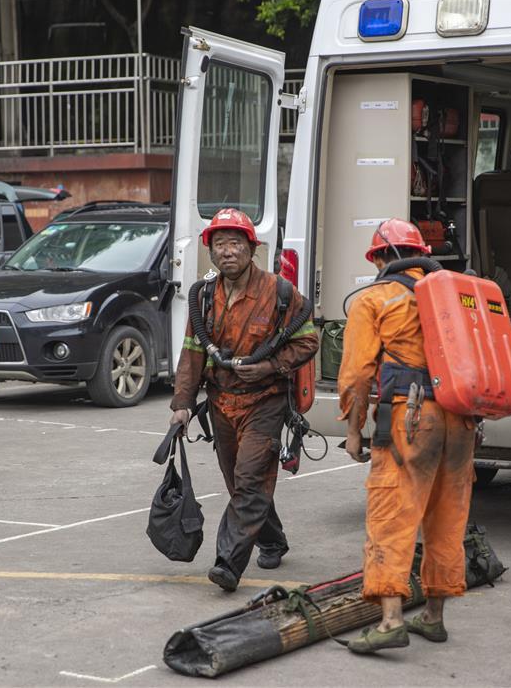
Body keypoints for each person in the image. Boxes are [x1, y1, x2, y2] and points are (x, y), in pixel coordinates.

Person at [338, 219, 476, 654]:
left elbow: (357, 375)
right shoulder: (450, 296)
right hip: (461, 419)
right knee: (447, 517)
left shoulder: (375, 300)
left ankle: (391, 621)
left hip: (410, 419)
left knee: (391, 515)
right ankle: (434, 617)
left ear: (380, 258)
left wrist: (354, 430)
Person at [170, 208, 318, 592]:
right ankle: (271, 539)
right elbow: (192, 351)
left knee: (250, 479)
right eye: (220, 244)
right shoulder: (203, 297)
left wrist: (270, 366)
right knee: (241, 483)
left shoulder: (280, 293)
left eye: (236, 243)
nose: (228, 252)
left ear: (252, 248)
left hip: (265, 401)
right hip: (221, 403)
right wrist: (181, 404)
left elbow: (308, 340)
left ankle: (228, 563)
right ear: (211, 251)